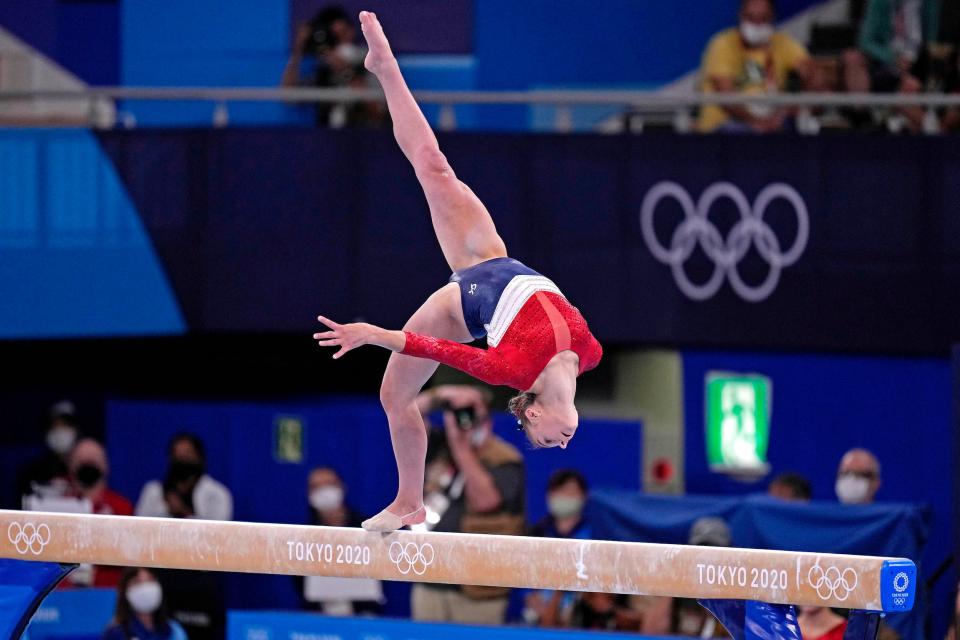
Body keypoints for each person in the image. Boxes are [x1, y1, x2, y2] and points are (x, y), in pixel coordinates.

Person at [313, 11, 603, 533]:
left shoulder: (512, 369)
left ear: (532, 414)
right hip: (491, 258)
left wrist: (373, 333)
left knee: (393, 395)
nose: (563, 443)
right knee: (433, 164)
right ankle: (384, 67)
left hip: (460, 305)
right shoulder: (591, 354)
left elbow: (436, 349)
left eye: (547, 440)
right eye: (558, 442)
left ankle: (408, 501)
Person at [410, 384, 525, 624]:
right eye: (459, 413)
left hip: (477, 588)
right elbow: (408, 411)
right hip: (430, 577)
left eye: (472, 413)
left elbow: (486, 502)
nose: (466, 420)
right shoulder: (441, 445)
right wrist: (441, 395)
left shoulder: (506, 458)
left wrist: (461, 447)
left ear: (487, 419)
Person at [697, 0, 816, 132]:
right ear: (741, 16)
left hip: (773, 125)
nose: (757, 25)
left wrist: (787, 111)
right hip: (725, 128)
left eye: (763, 18)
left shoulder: (784, 43)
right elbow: (726, 96)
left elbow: (813, 75)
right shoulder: (722, 44)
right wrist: (756, 122)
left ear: (773, 18)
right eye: (751, 18)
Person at [843, 0, 942, 130]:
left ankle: (937, 131)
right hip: (885, 62)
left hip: (919, 62)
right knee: (852, 58)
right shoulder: (879, 2)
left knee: (911, 88)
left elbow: (932, 42)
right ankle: (864, 120)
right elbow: (865, 41)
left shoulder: (931, 4)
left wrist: (920, 65)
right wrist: (893, 58)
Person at [280, 5, 385, 127]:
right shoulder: (320, 67)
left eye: (343, 34)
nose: (341, 42)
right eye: (335, 38)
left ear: (352, 31)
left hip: (365, 136)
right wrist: (298, 49)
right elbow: (288, 96)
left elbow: (377, 111)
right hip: (327, 139)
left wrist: (345, 71)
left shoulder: (371, 61)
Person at [524, 469, 591, 628]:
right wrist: (543, 609)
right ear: (549, 495)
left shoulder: (594, 534)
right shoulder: (537, 533)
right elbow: (524, 585)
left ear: (584, 496)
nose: (563, 497)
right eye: (559, 491)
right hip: (539, 613)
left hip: (580, 613)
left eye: (569, 492)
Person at [67, 438, 134, 587]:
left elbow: (127, 561)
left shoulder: (121, 508)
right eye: (81, 460)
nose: (87, 464)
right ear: (71, 466)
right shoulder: (58, 509)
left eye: (93, 460)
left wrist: (94, 577)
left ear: (105, 465)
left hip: (108, 593)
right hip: (63, 596)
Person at [136, 433, 233, 520]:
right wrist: (168, 511)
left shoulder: (217, 493)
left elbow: (218, 531)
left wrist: (183, 511)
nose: (182, 458)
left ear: (199, 457)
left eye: (187, 453)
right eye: (177, 454)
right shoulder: (153, 490)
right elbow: (139, 525)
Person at [16, 400, 80, 503]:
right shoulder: (31, 474)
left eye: (65, 425)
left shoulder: (85, 472)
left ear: (76, 430)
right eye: (55, 426)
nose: (60, 431)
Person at [103, 567, 187, 640]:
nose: (145, 587)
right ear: (125, 592)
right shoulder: (115, 633)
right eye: (136, 582)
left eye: (150, 579)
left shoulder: (174, 630)